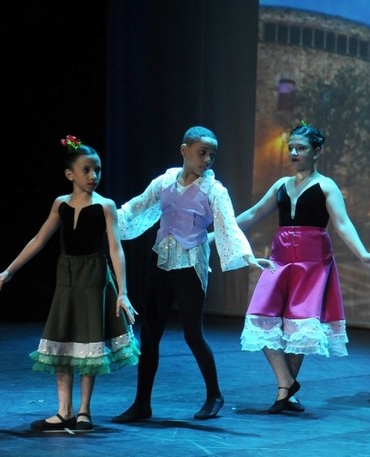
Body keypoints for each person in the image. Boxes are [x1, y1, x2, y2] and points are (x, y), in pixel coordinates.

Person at [111, 126, 273, 423]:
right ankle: (142, 403)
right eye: (202, 152)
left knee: (192, 334)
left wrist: (248, 258)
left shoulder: (214, 189)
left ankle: (214, 394)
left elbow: (228, 227)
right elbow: (137, 207)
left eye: (212, 154)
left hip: (190, 265)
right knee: (150, 334)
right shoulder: (164, 181)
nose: (208, 159)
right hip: (160, 262)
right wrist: (107, 216)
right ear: (184, 150)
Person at [0, 135, 139, 431]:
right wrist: (10, 270)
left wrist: (123, 292)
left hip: (94, 279)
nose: (93, 176)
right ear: (70, 174)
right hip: (67, 279)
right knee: (63, 339)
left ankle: (83, 411)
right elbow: (39, 239)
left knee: (88, 341)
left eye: (97, 170)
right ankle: (63, 410)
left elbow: (115, 249)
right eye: (86, 170)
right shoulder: (61, 204)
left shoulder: (105, 206)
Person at [235, 123, 370, 414]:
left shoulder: (326, 185)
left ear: (317, 151)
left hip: (312, 261)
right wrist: (218, 233)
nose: (293, 152)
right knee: (260, 318)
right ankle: (286, 382)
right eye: (291, 147)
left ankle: (285, 392)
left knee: (299, 326)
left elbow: (342, 223)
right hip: (280, 259)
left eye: (301, 148)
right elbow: (253, 213)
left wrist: (363, 253)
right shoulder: (281, 185)